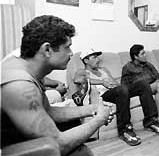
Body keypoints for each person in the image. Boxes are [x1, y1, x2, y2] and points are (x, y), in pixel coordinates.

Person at [1, 15, 114, 156]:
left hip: (14, 135)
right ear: (47, 49)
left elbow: (48, 111)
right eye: (67, 47)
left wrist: (93, 108)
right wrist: (99, 119)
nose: (71, 53)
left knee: (78, 142)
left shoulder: (29, 63)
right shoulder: (20, 85)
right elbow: (57, 145)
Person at [81, 48, 159, 146]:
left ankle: (151, 121)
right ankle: (124, 129)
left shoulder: (103, 69)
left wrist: (117, 86)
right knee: (122, 90)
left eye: (98, 57)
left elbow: (114, 82)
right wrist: (102, 82)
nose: (98, 59)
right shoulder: (82, 71)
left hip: (116, 91)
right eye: (94, 57)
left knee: (142, 84)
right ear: (86, 60)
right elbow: (79, 80)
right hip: (104, 96)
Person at [121, 44, 159, 132]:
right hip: (139, 89)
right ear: (135, 56)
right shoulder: (127, 67)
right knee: (158, 85)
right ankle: (158, 119)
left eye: (145, 53)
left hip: (152, 86)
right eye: (142, 54)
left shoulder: (148, 65)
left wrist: (157, 82)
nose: (145, 55)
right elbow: (124, 86)